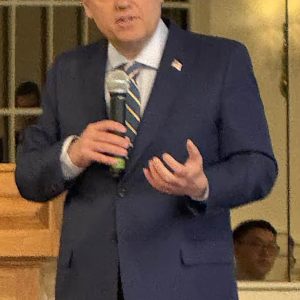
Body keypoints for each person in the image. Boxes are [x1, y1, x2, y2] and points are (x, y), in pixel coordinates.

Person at [15, 1, 278, 299]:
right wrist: (72, 154)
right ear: (87, 7)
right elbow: (28, 175)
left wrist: (204, 185)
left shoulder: (221, 60)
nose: (123, 3)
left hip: (187, 283)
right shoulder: (68, 70)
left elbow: (259, 166)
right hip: (90, 284)